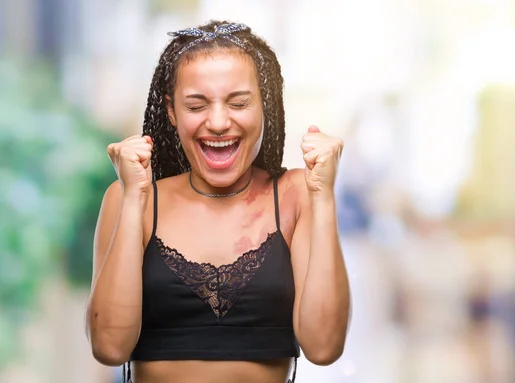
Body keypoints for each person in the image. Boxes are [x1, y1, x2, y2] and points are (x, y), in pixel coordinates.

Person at [85, 20, 350, 383]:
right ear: (172, 111)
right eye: (196, 106)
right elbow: (109, 347)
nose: (219, 122)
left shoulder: (298, 195)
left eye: (238, 103)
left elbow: (323, 348)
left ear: (264, 106)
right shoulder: (132, 198)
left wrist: (324, 197)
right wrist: (134, 198)